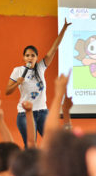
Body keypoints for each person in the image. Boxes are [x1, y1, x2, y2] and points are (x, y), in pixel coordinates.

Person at [5, 19, 71, 147]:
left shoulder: (41, 67)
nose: (30, 58)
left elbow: (54, 48)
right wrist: (17, 83)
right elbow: (7, 91)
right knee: (31, 146)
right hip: (25, 114)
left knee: (53, 144)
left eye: (33, 55)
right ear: (24, 57)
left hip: (42, 112)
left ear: (37, 57)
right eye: (28, 55)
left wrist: (64, 29)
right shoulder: (18, 71)